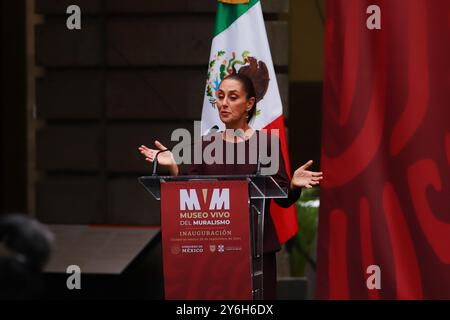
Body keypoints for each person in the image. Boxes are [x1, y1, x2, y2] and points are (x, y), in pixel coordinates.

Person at [138, 73, 323, 299]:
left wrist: (293, 185)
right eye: (220, 96)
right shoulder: (204, 145)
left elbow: (282, 199)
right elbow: (190, 193)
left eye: (233, 97)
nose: (223, 103)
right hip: (213, 251)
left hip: (257, 250)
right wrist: (174, 167)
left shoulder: (266, 144)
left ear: (249, 104)